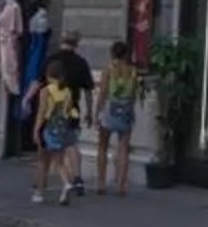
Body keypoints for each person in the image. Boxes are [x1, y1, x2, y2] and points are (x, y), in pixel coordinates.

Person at [31, 30, 93, 204]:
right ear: (77, 43)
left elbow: (37, 85)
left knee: (44, 156)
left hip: (49, 121)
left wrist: (27, 101)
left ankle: (39, 190)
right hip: (69, 114)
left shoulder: (51, 61)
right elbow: (88, 90)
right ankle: (76, 177)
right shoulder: (81, 63)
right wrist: (89, 111)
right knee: (71, 146)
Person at [95, 39, 142, 195]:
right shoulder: (133, 71)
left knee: (102, 146)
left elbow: (103, 92)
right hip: (126, 109)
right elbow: (134, 94)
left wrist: (97, 112)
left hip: (110, 109)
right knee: (123, 148)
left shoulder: (108, 69)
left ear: (112, 53)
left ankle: (101, 183)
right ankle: (122, 184)